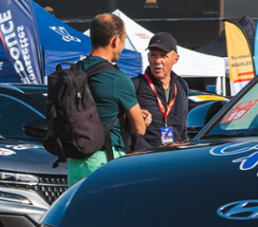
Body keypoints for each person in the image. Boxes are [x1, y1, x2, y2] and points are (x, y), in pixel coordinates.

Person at [66, 13, 151, 184]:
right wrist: (141, 118)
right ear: (115, 40)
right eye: (124, 39)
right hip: (105, 162)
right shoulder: (117, 79)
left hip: (74, 162)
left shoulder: (74, 71)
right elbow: (139, 129)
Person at [132, 32, 189, 150]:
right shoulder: (136, 85)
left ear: (176, 59)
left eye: (163, 56)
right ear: (148, 57)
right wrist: (134, 115)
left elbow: (182, 128)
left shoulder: (181, 86)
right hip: (145, 159)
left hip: (175, 157)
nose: (157, 61)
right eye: (153, 55)